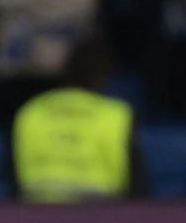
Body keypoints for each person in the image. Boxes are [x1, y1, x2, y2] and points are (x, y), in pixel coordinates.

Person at [10, 40, 145, 203]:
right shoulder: (116, 115)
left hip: (37, 213)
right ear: (103, 75)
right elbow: (139, 186)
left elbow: (12, 177)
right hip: (103, 217)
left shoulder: (32, 110)